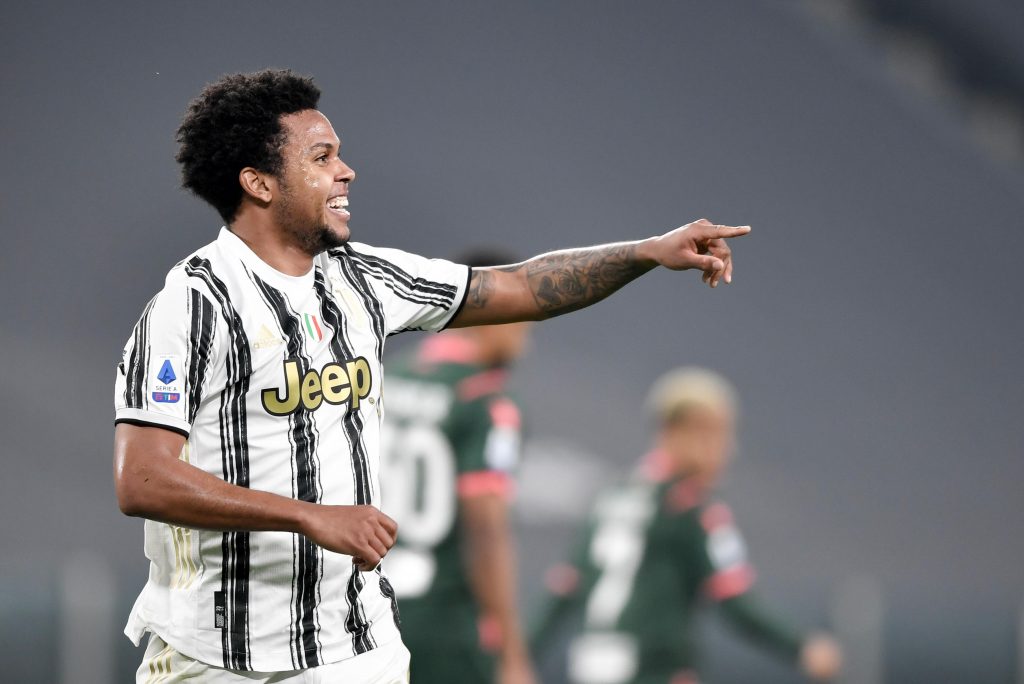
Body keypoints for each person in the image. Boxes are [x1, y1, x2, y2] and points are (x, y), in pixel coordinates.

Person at [111, 68, 750, 683]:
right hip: (219, 654)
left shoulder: (363, 278)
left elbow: (523, 285)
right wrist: (309, 516)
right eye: (322, 156)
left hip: (356, 648)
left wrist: (646, 252)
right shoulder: (192, 306)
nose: (346, 170)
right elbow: (141, 479)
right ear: (259, 183)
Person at [530, 368, 842, 684]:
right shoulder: (693, 510)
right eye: (713, 434)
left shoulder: (611, 496)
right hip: (655, 671)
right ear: (672, 434)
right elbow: (737, 604)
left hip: (590, 666)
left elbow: (563, 592)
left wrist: (519, 659)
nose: (727, 449)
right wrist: (803, 648)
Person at [380, 248, 536, 684]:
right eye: (526, 315)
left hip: (366, 607)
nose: (527, 336)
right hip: (443, 619)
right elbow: (485, 528)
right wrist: (511, 652)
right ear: (498, 309)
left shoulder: (390, 376)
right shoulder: (487, 402)